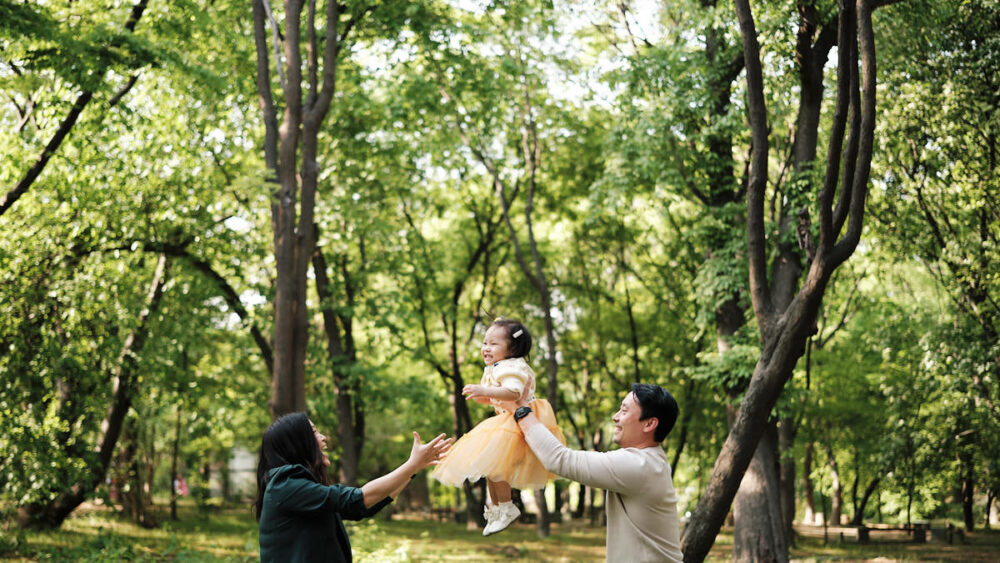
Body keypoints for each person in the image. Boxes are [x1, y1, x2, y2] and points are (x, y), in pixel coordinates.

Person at [498, 383, 683, 562]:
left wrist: (520, 409)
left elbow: (559, 459)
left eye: (624, 411)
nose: (615, 417)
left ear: (649, 424)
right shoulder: (650, 461)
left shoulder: (638, 465)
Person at [254, 412, 451, 562]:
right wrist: (411, 465)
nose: (324, 438)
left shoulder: (294, 487)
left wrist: (412, 470)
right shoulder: (285, 485)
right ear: (296, 444)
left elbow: (362, 507)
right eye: (314, 432)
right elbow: (358, 498)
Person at [431, 318, 566, 536]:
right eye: (485, 343)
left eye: (493, 344)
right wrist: (483, 396)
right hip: (509, 420)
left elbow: (512, 392)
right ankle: (499, 509)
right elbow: (497, 398)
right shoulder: (499, 367)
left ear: (512, 349)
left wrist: (485, 391)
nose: (486, 348)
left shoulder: (511, 366)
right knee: (490, 468)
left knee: (495, 466)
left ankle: (506, 506)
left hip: (520, 421)